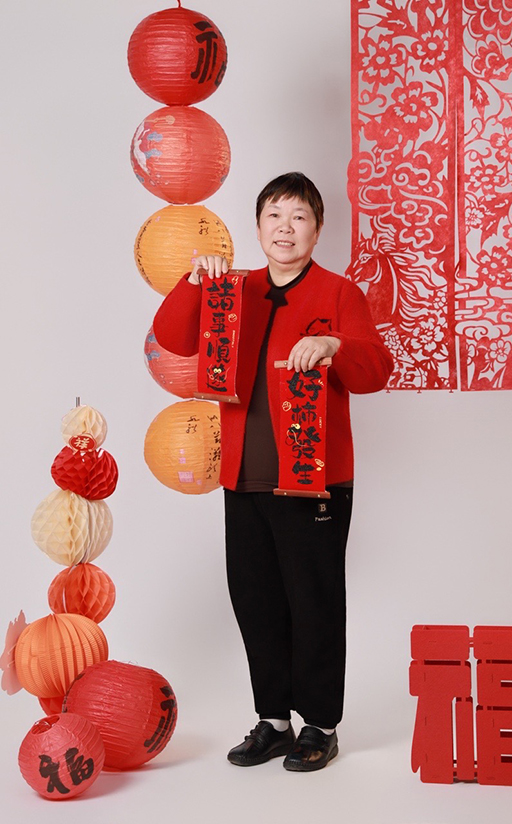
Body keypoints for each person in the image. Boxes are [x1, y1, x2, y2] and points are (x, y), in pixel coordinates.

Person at [153, 172, 393, 771]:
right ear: (258, 226)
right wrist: (194, 280)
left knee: (313, 603)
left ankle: (320, 725)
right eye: (274, 216)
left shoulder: (339, 293)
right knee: (255, 602)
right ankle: (274, 721)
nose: (286, 229)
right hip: (243, 477)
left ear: (317, 229)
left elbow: (376, 370)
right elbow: (172, 338)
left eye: (299, 217)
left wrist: (336, 346)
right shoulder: (232, 289)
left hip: (315, 481)